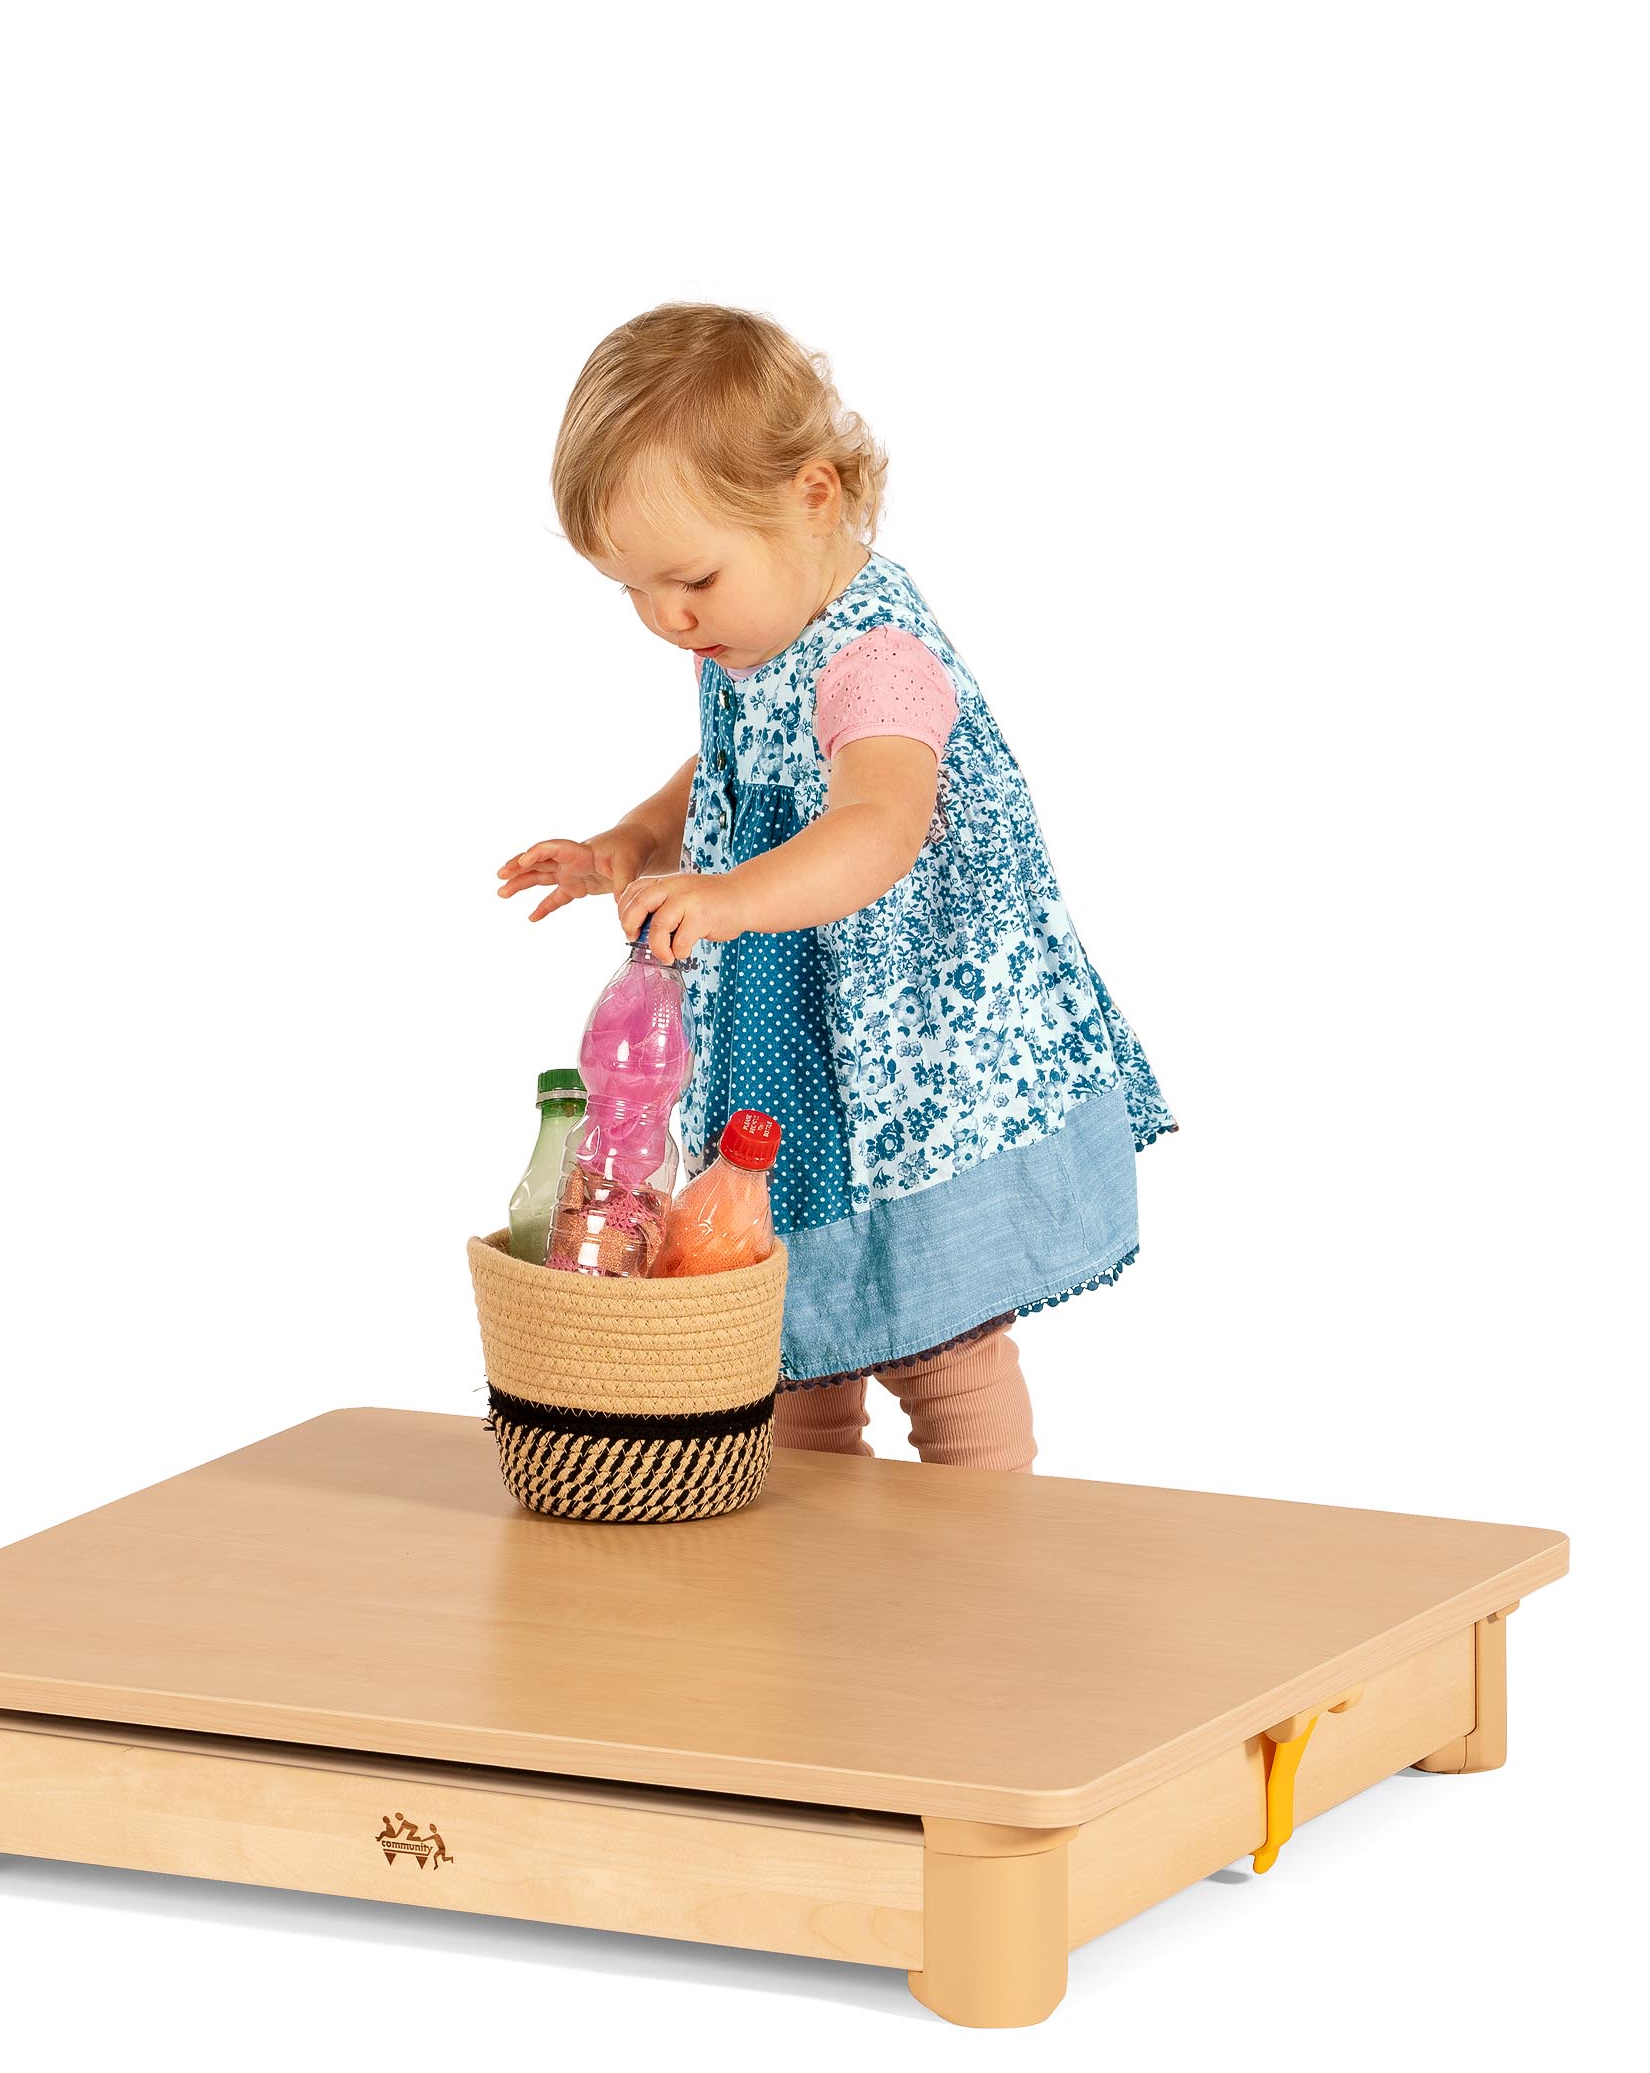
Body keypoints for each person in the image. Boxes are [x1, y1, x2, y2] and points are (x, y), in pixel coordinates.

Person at [498, 305, 1171, 1473]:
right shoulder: (758, 637)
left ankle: (988, 1555)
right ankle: (821, 1580)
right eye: (634, 594)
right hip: (796, 1048)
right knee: (791, 1344)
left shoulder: (876, 660)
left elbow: (877, 824)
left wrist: (727, 898)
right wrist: (635, 841)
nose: (668, 619)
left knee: (941, 1348)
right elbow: (731, 763)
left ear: (811, 497)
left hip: (909, 1062)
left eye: (692, 577)